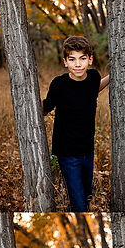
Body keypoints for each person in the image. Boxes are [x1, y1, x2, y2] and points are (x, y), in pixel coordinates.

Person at [42, 36, 110, 212]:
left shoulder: (94, 77)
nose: (78, 64)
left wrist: (111, 76)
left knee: (87, 195)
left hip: (87, 150)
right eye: (72, 59)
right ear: (65, 62)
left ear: (90, 59)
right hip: (67, 153)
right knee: (79, 204)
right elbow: (46, 108)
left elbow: (94, 89)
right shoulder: (59, 84)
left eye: (82, 58)